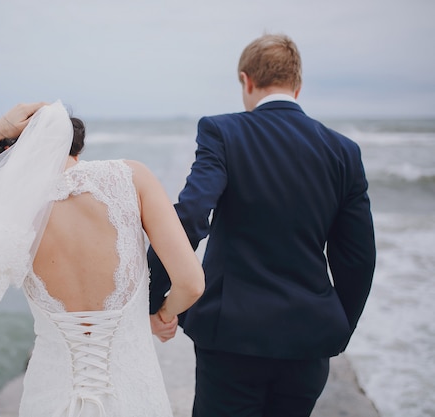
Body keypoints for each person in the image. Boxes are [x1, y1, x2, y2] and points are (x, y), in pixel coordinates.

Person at [0, 100, 204, 417]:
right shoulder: (131, 177)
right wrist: (160, 314)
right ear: (75, 146)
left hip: (49, 396)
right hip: (133, 394)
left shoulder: (8, 211)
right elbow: (191, 284)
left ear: (11, 160)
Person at [148, 34, 376, 416]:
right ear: (297, 87)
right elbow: (358, 258)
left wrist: (155, 302)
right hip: (307, 343)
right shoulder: (344, 152)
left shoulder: (222, 132)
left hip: (231, 341)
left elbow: (189, 216)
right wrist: (336, 328)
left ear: (246, 80)